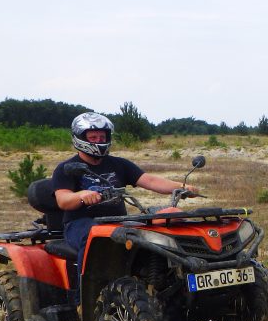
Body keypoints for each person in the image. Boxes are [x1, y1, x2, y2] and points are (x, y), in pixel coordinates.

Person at [52, 112, 198, 267]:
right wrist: (81, 195)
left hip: (118, 222)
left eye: (102, 137)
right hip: (80, 223)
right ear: (80, 138)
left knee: (160, 229)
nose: (99, 141)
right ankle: (83, 290)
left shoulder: (119, 164)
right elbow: (63, 200)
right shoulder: (66, 168)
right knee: (93, 237)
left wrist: (182, 187)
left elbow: (150, 180)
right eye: (93, 138)